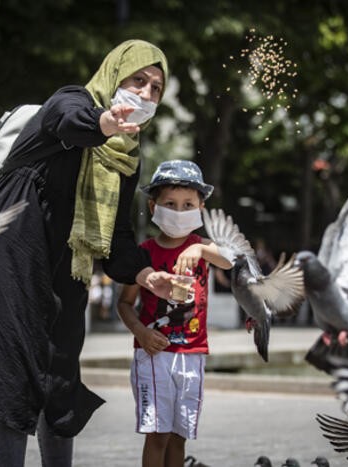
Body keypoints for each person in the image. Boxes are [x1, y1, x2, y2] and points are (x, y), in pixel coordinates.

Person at [0, 40, 177, 467]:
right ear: (114, 75)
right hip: (12, 254)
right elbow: (71, 121)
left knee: (60, 379)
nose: (145, 94)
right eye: (138, 80)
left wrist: (143, 274)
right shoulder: (70, 102)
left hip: (69, 266)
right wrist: (105, 120)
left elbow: (118, 235)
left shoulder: (126, 157)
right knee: (15, 375)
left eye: (156, 88)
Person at [116, 160, 232, 467]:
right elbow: (124, 303)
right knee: (158, 435)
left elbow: (232, 260)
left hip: (193, 354)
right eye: (170, 204)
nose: (179, 211)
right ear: (153, 206)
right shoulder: (143, 253)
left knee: (179, 436)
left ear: (200, 208)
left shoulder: (202, 247)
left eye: (187, 205)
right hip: (154, 356)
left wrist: (202, 250)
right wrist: (141, 332)